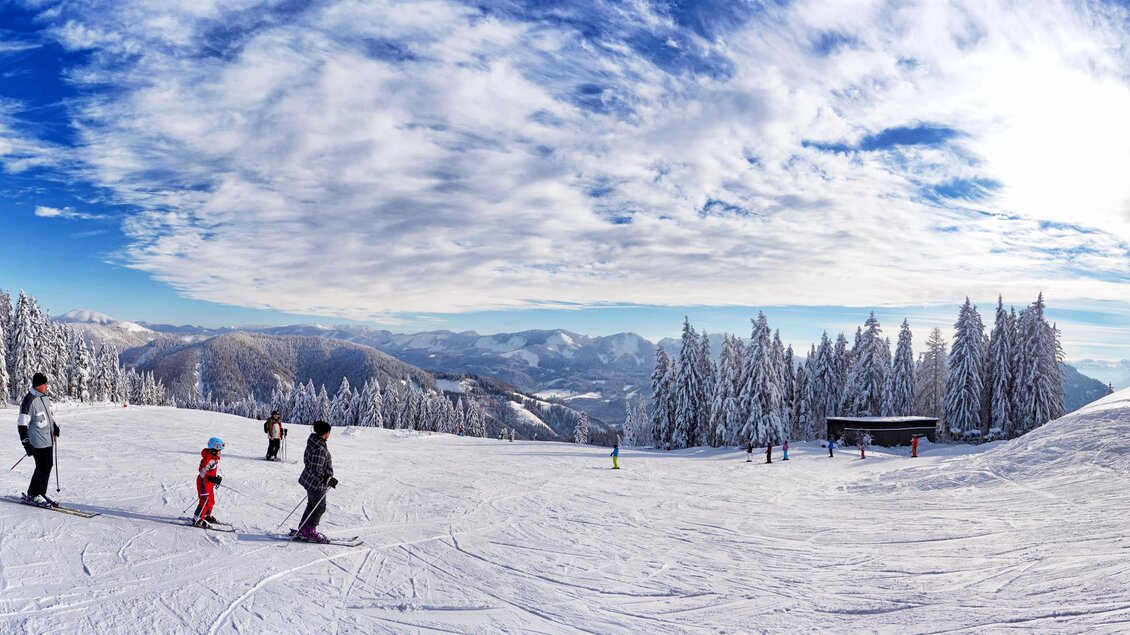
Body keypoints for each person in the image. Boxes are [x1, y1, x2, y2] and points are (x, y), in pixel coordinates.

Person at [17, 372, 60, 507]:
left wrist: (55, 426)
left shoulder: (45, 398)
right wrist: (26, 444)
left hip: (48, 440)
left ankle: (41, 492)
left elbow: (48, 416)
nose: (47, 386)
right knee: (41, 467)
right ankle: (33, 494)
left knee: (48, 465)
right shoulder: (29, 400)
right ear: (38, 385)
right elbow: (22, 424)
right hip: (37, 442)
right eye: (45, 384)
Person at [297, 420, 337, 543]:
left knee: (312, 504)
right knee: (320, 507)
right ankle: (309, 530)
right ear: (325, 433)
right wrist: (328, 479)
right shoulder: (319, 447)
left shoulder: (314, 442)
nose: (329, 433)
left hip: (309, 480)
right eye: (329, 431)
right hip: (316, 483)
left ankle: (303, 528)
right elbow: (317, 468)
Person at [192, 437, 224, 527]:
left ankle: (206, 515)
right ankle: (197, 519)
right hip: (203, 482)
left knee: (210, 500)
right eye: (219, 450)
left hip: (209, 483)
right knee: (204, 501)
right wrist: (211, 478)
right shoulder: (208, 459)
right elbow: (202, 471)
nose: (220, 452)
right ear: (214, 449)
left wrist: (214, 479)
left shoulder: (213, 458)